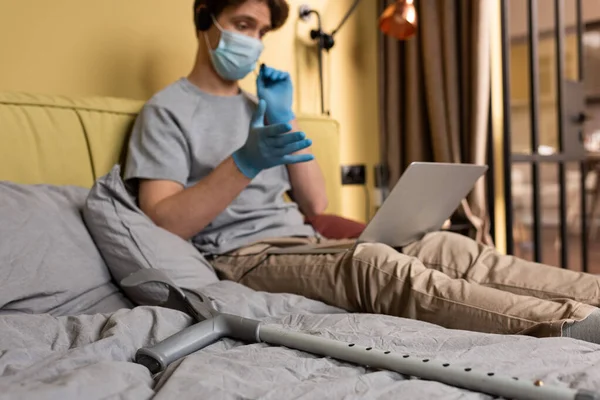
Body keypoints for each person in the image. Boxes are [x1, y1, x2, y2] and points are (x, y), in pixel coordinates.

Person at [124, 0, 600, 344]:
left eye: (261, 31)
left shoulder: (260, 106)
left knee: (447, 245)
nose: (252, 40)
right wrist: (243, 162)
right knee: (373, 264)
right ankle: (577, 326)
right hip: (241, 256)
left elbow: (316, 205)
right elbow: (166, 220)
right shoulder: (167, 111)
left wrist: (284, 121)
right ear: (206, 20)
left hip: (303, 243)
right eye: (242, 24)